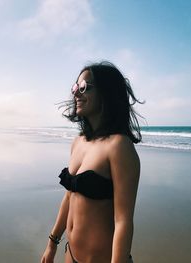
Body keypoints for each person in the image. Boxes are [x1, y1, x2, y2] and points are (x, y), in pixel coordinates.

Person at [41, 61, 143, 263]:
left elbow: (123, 221)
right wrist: (52, 244)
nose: (76, 94)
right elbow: (70, 197)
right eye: (75, 88)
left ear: (106, 93)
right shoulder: (78, 142)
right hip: (71, 255)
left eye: (84, 88)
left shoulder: (119, 146)